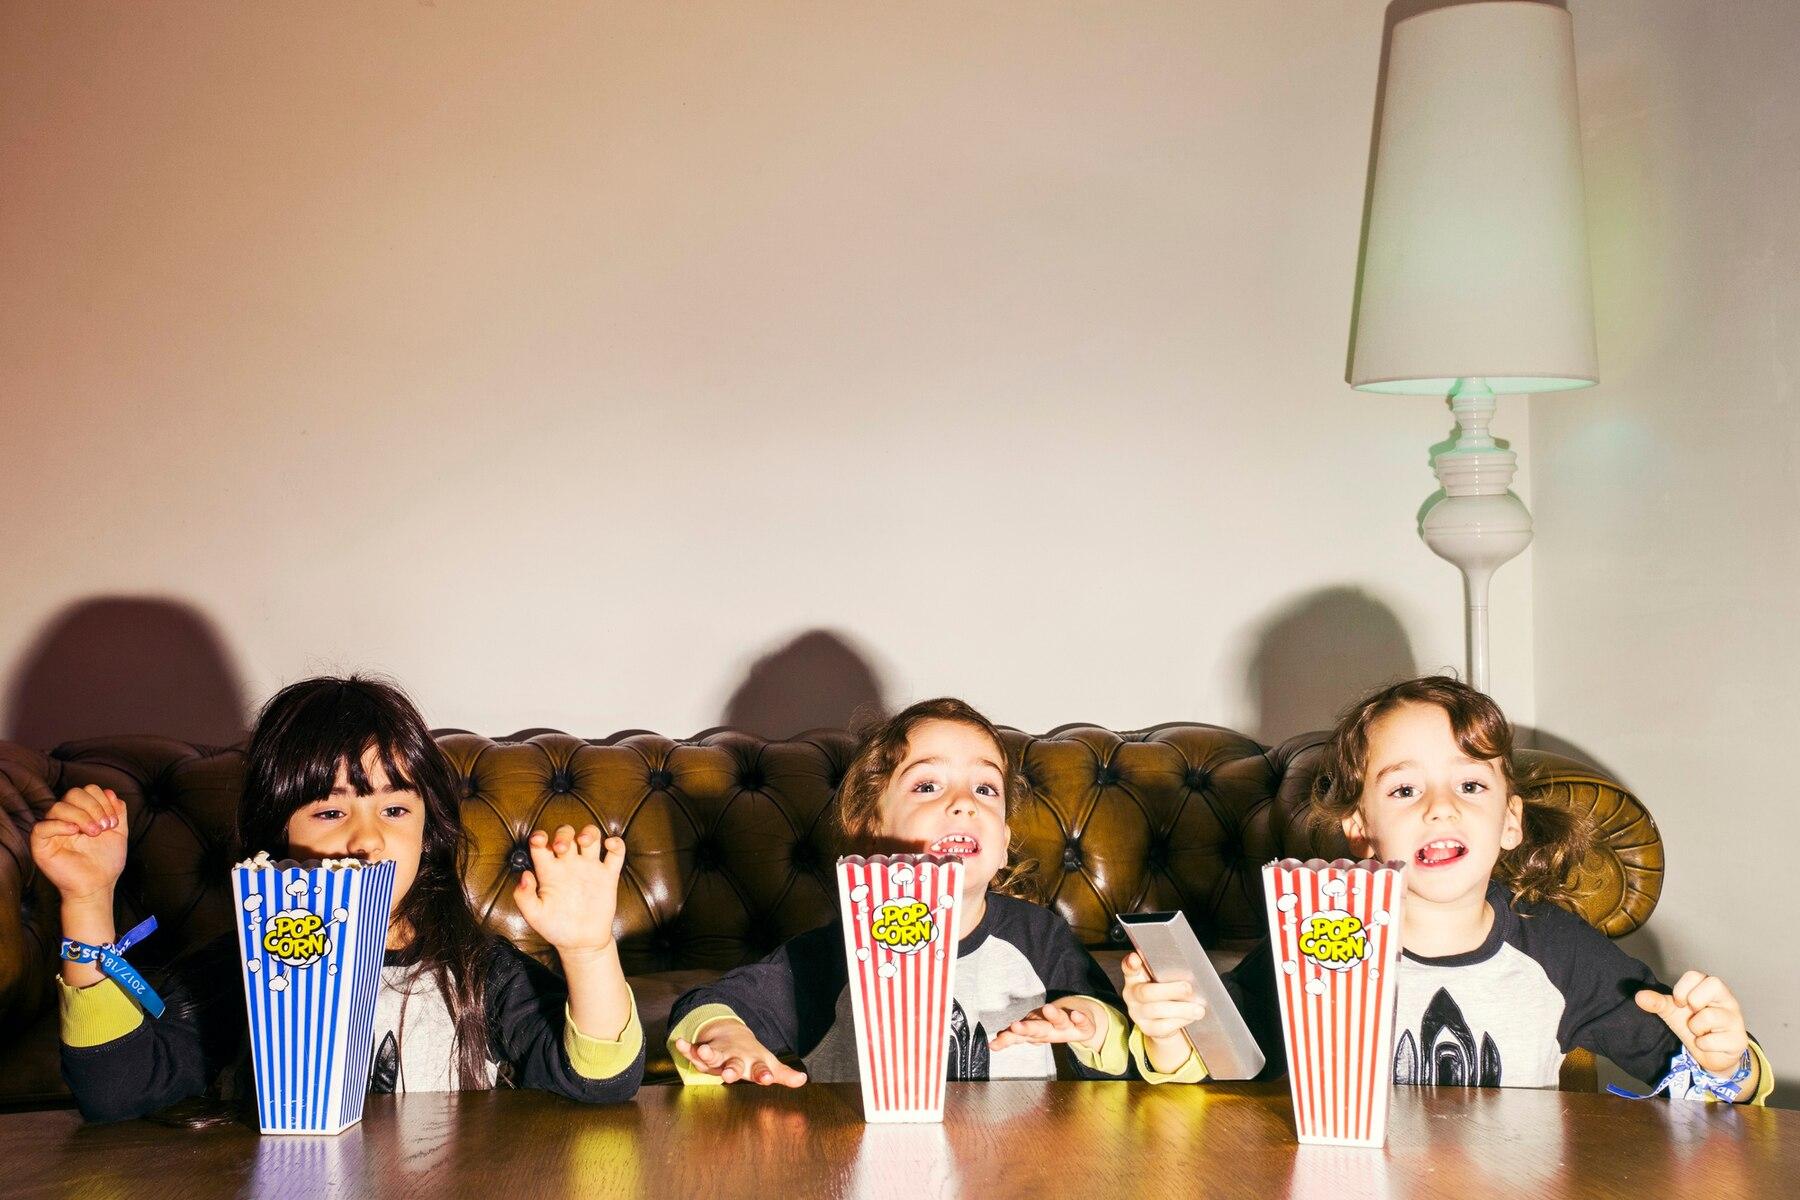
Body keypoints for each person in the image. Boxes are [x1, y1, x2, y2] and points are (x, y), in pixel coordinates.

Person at [33, 675, 644, 1121]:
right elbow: (114, 1088)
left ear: (427, 835)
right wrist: (87, 900)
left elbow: (602, 1083)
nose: (366, 839)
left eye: (395, 809)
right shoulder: (246, 969)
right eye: (329, 810)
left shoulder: (478, 971)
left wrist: (589, 949)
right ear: (278, 834)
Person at [666, 697, 1184, 1085]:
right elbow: (712, 1005)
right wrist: (728, 1038)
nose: (964, 804)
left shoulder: (1041, 936)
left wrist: (1090, 1024)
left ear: (1003, 842)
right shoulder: (837, 951)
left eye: (985, 789)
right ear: (870, 831)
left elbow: (1119, 1044)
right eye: (927, 785)